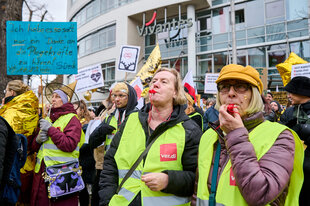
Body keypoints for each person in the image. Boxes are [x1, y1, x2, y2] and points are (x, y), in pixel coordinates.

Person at [196, 64, 304, 206]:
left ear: (254, 95)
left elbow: (260, 194)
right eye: (224, 87)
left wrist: (235, 134)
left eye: (241, 86)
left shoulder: (280, 136)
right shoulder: (209, 135)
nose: (231, 93)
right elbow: (198, 192)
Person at [98, 68, 202, 206]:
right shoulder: (130, 120)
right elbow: (110, 163)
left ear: (175, 92)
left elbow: (198, 179)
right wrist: (107, 200)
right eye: (154, 81)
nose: (156, 84)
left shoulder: (189, 129)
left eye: (164, 82)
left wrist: (169, 180)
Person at [30, 88, 85, 206]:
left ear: (65, 101)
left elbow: (69, 144)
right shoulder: (47, 118)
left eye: (57, 96)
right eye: (53, 96)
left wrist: (50, 130)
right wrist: (38, 140)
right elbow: (34, 148)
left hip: (62, 176)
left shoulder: (72, 119)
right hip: (42, 175)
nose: (53, 99)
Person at [89, 82, 137, 206]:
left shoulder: (138, 116)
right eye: (114, 95)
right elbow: (92, 142)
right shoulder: (110, 118)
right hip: (108, 168)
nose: (116, 99)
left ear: (130, 96)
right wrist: (101, 129)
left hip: (129, 170)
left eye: (121, 95)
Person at [0, 80, 39, 205]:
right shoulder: (31, 108)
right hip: (28, 163)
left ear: (12, 92)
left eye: (6, 91)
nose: (4, 94)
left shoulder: (11, 112)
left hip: (11, 165)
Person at [279, 76, 310, 206]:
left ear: (303, 93)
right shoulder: (289, 111)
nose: (289, 95)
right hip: (289, 166)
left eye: (291, 92)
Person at [73, 100, 95, 206]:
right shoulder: (72, 122)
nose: (73, 111)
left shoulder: (87, 124)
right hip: (78, 160)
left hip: (86, 161)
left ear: (82, 110)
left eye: (75, 109)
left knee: (85, 190)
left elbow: (87, 144)